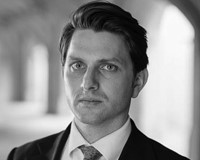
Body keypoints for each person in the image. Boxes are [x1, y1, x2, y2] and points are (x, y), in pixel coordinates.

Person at [7, 1, 190, 160]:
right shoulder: (20, 156)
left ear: (138, 81)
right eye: (78, 65)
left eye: (108, 67)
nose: (87, 83)